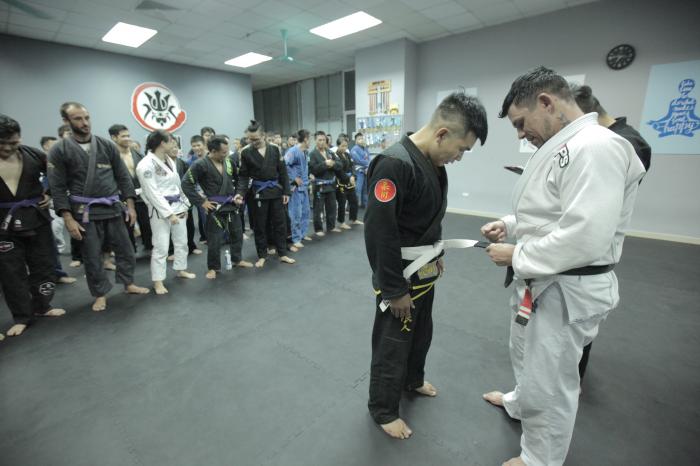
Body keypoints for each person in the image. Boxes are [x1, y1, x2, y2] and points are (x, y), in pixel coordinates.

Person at [480, 67, 646, 466]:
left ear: (546, 103)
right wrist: (510, 224)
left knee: (551, 378)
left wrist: (517, 255)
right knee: (525, 354)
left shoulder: (597, 147)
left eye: (521, 123)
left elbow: (586, 235)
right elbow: (553, 211)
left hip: (566, 287)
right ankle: (519, 403)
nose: (521, 134)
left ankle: (542, 457)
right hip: (541, 281)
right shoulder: (566, 145)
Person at [365, 93, 487, 439]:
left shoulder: (433, 163)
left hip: (424, 270)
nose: (459, 157)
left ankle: (412, 379)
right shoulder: (393, 164)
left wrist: (436, 253)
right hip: (400, 276)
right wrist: (393, 289)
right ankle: (383, 409)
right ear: (442, 134)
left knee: (421, 332)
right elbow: (380, 231)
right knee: (393, 341)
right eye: (461, 149)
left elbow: (427, 216)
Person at [571, 83, 653, 382]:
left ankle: (572, 382)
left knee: (579, 323)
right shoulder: (607, 140)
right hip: (584, 251)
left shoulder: (623, 143)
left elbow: (603, 203)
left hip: (592, 255)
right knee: (574, 328)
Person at [47, 102, 149, 312]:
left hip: (113, 207)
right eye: (78, 119)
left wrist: (130, 205)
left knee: (126, 250)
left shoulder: (105, 145)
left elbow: (122, 176)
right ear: (66, 121)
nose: (84, 123)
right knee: (92, 256)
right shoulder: (59, 150)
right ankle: (100, 294)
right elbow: (57, 187)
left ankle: (128, 283)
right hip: (85, 212)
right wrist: (68, 218)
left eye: (86, 118)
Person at [0, 115, 67, 337]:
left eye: (13, 142)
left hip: (36, 217)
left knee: (43, 264)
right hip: (4, 224)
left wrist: (48, 193)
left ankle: (43, 306)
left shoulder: (33, 154)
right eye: (2, 143)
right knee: (11, 271)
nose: (8, 148)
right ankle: (22, 316)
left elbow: (57, 174)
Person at [183, 135, 253, 279]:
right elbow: (186, 183)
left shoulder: (229, 162)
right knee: (214, 239)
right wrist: (201, 202)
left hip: (231, 204)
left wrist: (239, 194)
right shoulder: (200, 164)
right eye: (223, 152)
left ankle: (237, 259)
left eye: (227, 151)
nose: (226, 154)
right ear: (213, 151)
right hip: (214, 207)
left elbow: (240, 178)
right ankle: (213, 267)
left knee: (237, 233)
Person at [136, 130, 196, 293]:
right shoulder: (146, 165)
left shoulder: (169, 159)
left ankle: (181, 269)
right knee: (161, 246)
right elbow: (152, 192)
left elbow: (177, 184)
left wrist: (185, 204)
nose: (174, 145)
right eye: (171, 142)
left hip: (178, 205)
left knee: (182, 241)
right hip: (160, 210)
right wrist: (169, 213)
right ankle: (158, 281)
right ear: (162, 143)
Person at [237, 120, 295, 268]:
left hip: (276, 191)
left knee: (280, 223)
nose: (253, 142)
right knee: (260, 225)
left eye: (256, 139)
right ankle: (262, 255)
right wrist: (240, 193)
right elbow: (243, 176)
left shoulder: (275, 149)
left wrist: (286, 191)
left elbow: (283, 172)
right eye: (250, 139)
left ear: (263, 135)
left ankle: (282, 253)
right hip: (258, 193)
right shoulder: (246, 152)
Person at [109, 124, 153, 253]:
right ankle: (130, 252)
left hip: (141, 197)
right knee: (127, 227)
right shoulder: (110, 157)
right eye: (123, 136)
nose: (127, 138)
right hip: (122, 198)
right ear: (114, 138)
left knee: (147, 225)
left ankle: (150, 247)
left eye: (128, 135)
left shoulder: (138, 155)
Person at [167, 141, 201, 256]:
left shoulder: (183, 163)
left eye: (176, 147)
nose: (174, 149)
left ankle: (191, 246)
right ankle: (171, 250)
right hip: (169, 199)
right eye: (172, 147)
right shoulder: (162, 165)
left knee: (189, 223)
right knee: (171, 225)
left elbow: (190, 180)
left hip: (184, 197)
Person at [309, 130, 342, 236]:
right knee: (318, 208)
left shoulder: (330, 152)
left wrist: (333, 164)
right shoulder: (312, 154)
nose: (322, 142)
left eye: (323, 140)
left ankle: (331, 226)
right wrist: (325, 164)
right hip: (319, 186)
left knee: (332, 207)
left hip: (331, 185)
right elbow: (313, 169)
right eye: (319, 140)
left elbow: (340, 164)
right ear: (315, 141)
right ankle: (318, 229)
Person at [285, 129, 312, 249]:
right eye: (309, 139)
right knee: (296, 213)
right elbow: (284, 165)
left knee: (306, 212)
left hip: (304, 186)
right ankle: (296, 238)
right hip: (295, 188)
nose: (310, 141)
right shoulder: (293, 151)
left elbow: (304, 168)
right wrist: (294, 177)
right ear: (305, 139)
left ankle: (302, 234)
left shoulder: (305, 152)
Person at [334, 135, 361, 229]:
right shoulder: (335, 156)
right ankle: (341, 222)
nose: (344, 148)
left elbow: (352, 166)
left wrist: (353, 176)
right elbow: (338, 170)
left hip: (350, 181)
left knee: (354, 200)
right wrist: (348, 178)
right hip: (341, 182)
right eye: (342, 146)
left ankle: (353, 218)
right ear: (338, 146)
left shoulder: (347, 155)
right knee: (342, 202)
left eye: (346, 146)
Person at [350, 132, 371, 207]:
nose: (361, 140)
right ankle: (356, 205)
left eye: (362, 138)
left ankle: (365, 204)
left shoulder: (365, 148)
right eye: (359, 139)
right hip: (358, 171)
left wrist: (368, 166)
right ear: (356, 140)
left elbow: (369, 158)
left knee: (365, 189)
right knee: (358, 189)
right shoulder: (354, 149)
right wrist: (367, 164)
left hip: (366, 170)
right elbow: (358, 160)